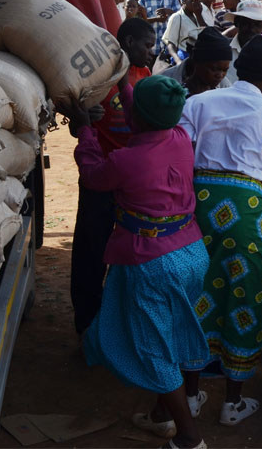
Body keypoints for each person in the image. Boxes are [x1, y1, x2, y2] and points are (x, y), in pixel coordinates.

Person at [67, 74, 206, 449]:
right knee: (171, 331)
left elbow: (94, 176)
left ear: (137, 120)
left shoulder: (126, 160)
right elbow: (141, 113)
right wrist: (124, 80)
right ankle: (162, 415)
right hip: (191, 252)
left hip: (153, 262)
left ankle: (189, 437)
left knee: (153, 347)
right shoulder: (180, 139)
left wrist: (85, 131)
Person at [179, 37, 262, 426]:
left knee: (198, 290)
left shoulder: (198, 103)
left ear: (236, 68)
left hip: (197, 207)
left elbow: (180, 156)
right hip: (245, 213)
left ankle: (191, 394)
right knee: (245, 294)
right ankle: (233, 403)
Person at [69, 17, 155, 336]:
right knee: (91, 253)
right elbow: (76, 124)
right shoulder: (100, 76)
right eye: (147, 45)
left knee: (129, 256)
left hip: (132, 183)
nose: (152, 50)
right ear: (129, 43)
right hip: (100, 179)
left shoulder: (144, 75)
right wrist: (85, 119)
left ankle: (119, 324)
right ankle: (87, 327)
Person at [223, 0, 262, 113]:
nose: (252, 29)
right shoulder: (223, 52)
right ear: (237, 23)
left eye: (257, 25)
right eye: (246, 23)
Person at [161, 26, 233, 97]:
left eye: (225, 70)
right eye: (214, 69)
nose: (220, 75)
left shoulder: (224, 86)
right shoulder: (166, 81)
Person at [140, 0, 180, 64]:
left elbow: (180, 16)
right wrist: (157, 19)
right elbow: (140, 20)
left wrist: (169, 11)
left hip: (168, 46)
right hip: (150, 47)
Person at [163, 0, 209, 66]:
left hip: (200, 57)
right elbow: (170, 44)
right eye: (193, 0)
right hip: (184, 58)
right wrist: (178, 61)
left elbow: (208, 34)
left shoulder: (198, 14)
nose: (196, 3)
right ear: (183, 0)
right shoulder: (177, 17)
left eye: (198, 0)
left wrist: (199, 15)